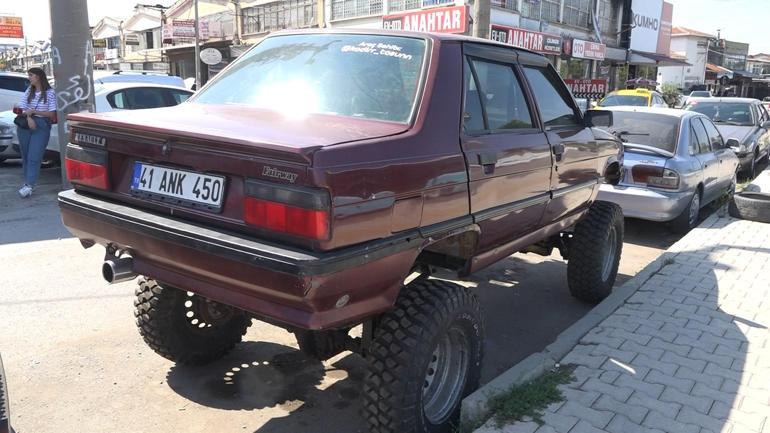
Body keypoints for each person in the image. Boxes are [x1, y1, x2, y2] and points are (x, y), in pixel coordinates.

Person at [16, 67, 57, 198]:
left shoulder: (50, 93)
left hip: (41, 125)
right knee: (26, 155)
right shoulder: (29, 90)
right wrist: (28, 117)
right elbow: (22, 108)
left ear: (38, 77)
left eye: (31, 75)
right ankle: (27, 182)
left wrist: (34, 112)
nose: (29, 78)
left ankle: (30, 185)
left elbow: (51, 114)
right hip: (25, 124)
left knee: (35, 156)